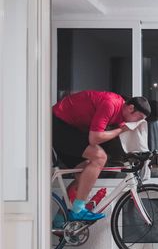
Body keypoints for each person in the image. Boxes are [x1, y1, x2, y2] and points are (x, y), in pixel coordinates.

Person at [53, 90, 151, 221]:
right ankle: (77, 210)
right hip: (57, 123)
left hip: (71, 127)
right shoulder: (110, 103)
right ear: (131, 108)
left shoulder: (123, 114)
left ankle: (60, 221)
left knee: (84, 175)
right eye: (138, 118)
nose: (136, 123)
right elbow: (95, 138)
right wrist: (121, 130)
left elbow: (120, 139)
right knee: (100, 157)